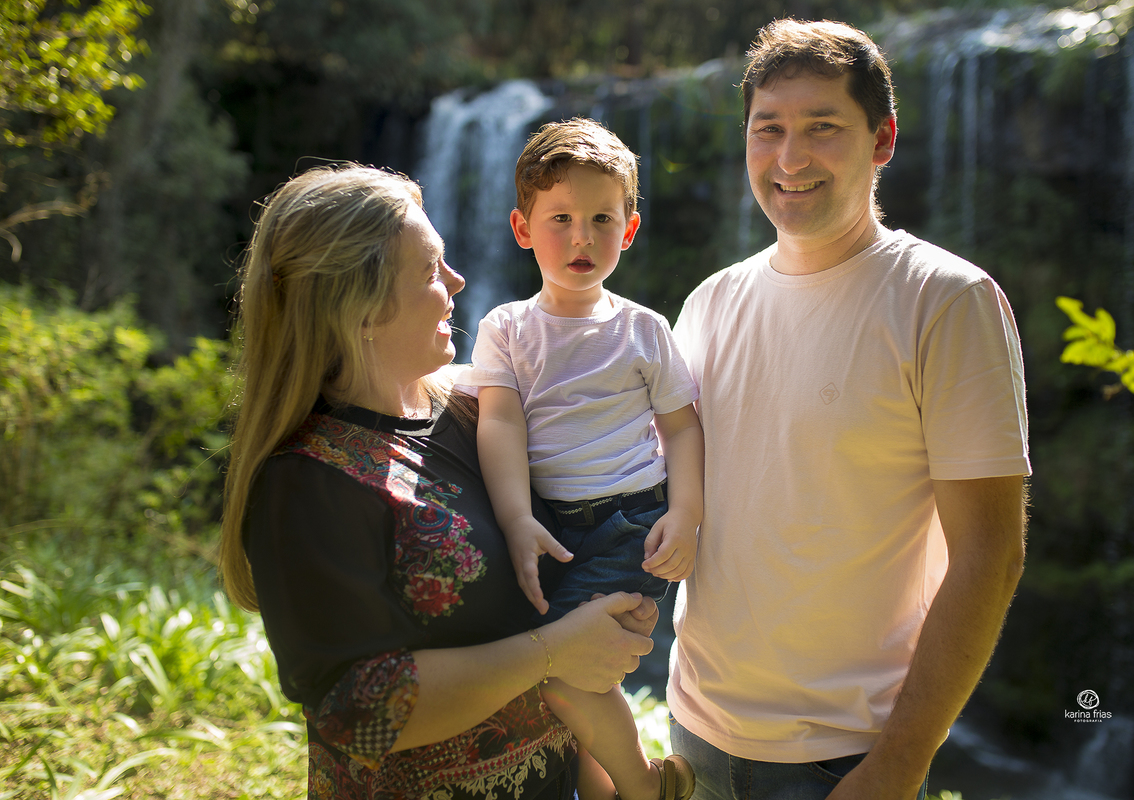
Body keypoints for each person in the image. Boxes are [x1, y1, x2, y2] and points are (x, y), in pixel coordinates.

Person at [667, 19, 1031, 800]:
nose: (790, 159)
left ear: (883, 139)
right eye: (769, 131)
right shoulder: (706, 305)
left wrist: (899, 762)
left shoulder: (947, 302)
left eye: (822, 128)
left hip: (844, 760)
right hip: (693, 736)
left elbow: (990, 556)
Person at [217, 163, 662, 800]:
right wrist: (554, 653)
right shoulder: (307, 482)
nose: (457, 282)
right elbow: (357, 710)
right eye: (429, 269)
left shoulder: (481, 413)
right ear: (361, 308)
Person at [458, 118, 703, 800]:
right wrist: (514, 519)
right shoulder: (505, 327)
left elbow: (682, 430)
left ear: (628, 230)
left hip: (629, 525)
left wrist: (686, 514)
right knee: (551, 679)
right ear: (522, 227)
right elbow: (501, 422)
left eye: (601, 219)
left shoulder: (643, 329)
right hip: (546, 525)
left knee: (566, 675)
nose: (581, 238)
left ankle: (644, 789)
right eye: (560, 218)